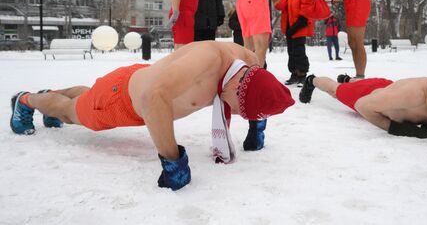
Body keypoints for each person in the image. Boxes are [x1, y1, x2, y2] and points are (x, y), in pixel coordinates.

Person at [10, 41, 295, 191]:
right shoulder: (209, 61)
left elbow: (262, 91)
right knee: (71, 113)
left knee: (86, 96)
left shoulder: (249, 64)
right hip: (121, 99)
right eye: (239, 109)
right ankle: (27, 100)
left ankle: (52, 94)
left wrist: (257, 127)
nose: (237, 115)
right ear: (237, 87)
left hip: (133, 83)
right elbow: (151, 97)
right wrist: (173, 161)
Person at [298, 67, 427, 138]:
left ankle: (349, 78)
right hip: (369, 94)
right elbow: (363, 105)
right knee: (335, 90)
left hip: (388, 89)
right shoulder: (409, 97)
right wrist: (394, 127)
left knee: (379, 86)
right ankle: (312, 80)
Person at [272, 0, 314, 85]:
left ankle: (302, 74)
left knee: (298, 49)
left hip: (301, 20)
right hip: (289, 20)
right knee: (291, 49)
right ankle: (294, 73)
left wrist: (303, 18)